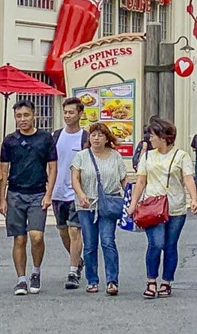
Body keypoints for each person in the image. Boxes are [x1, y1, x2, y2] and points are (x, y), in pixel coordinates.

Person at [131, 115, 197, 299]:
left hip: (175, 207)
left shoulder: (181, 156)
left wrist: (193, 199)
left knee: (170, 245)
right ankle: (151, 280)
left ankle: (166, 281)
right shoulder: (147, 156)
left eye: (152, 135)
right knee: (156, 243)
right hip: (152, 207)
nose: (149, 139)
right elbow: (141, 181)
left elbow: (188, 179)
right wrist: (133, 204)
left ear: (163, 136)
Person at [0, 99, 58, 296]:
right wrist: (2, 198)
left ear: (34, 115)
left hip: (38, 193)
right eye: (18, 116)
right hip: (15, 193)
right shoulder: (9, 140)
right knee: (19, 238)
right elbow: (3, 170)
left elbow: (52, 166)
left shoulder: (45, 139)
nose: (22, 119)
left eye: (26, 115)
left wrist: (49, 194)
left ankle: (36, 271)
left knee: (36, 236)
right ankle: (21, 279)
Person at [70, 121, 129, 295]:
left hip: (109, 203)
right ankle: (92, 280)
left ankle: (112, 280)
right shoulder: (81, 156)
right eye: (93, 135)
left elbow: (123, 179)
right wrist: (81, 195)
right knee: (89, 244)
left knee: (107, 241)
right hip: (86, 204)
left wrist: (131, 197)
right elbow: (75, 179)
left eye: (100, 135)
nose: (96, 138)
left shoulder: (115, 156)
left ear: (106, 138)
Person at [50, 97, 87, 290]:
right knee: (63, 230)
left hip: (77, 192)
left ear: (80, 114)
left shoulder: (86, 138)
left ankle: (73, 270)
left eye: (71, 112)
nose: (67, 116)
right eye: (65, 112)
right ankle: (78, 260)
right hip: (57, 191)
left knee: (75, 230)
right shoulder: (55, 136)